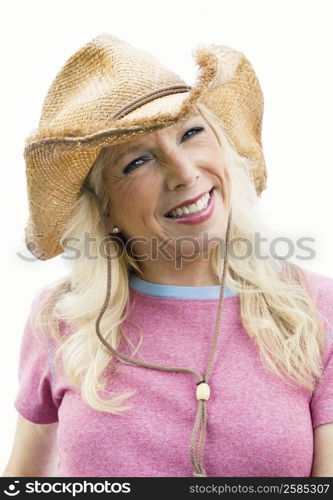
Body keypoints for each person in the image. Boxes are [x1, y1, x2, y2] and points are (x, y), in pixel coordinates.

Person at [3, 34, 333, 478]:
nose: (184, 172)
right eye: (136, 161)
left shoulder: (315, 309)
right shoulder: (61, 319)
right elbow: (25, 480)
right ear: (103, 208)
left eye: (192, 132)